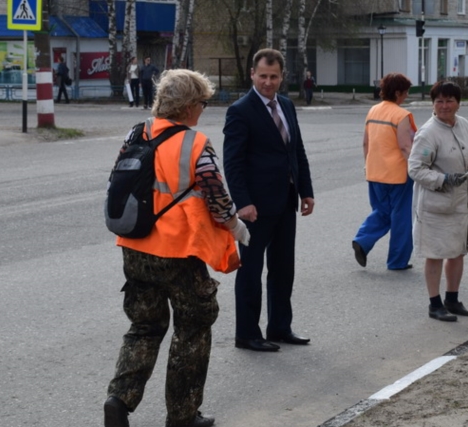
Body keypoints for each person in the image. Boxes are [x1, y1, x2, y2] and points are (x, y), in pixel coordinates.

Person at [104, 69, 250, 427]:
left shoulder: (137, 132)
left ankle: (119, 400)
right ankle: (183, 416)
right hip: (178, 253)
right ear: (187, 106)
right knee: (192, 331)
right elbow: (216, 197)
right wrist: (236, 227)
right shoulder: (195, 144)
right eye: (202, 102)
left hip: (134, 247)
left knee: (144, 326)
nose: (203, 109)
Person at [223, 48, 315, 352]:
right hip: (255, 208)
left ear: (282, 77)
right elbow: (233, 163)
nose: (268, 82)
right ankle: (247, 333)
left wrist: (306, 191)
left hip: (286, 202)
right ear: (252, 74)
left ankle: (279, 327)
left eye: (274, 76)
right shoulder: (240, 110)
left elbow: (296, 151)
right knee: (250, 270)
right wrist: (243, 202)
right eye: (262, 75)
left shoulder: (287, 105)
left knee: (282, 268)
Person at [408, 81, 468, 321]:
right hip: (436, 206)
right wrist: (443, 179)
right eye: (439, 101)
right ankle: (435, 304)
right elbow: (415, 169)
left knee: (457, 252)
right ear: (433, 104)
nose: (444, 106)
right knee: (436, 253)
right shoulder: (428, 132)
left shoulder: (464, 125)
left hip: (463, 204)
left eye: (449, 100)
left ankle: (452, 299)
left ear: (458, 103)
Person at [351, 73, 417, 270]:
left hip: (375, 172)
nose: (406, 96)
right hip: (398, 174)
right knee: (401, 218)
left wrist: (367, 164)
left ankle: (362, 240)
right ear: (398, 92)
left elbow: (365, 143)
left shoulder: (373, 111)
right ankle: (398, 261)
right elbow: (406, 147)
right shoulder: (401, 115)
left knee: (381, 211)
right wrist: (419, 170)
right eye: (405, 93)